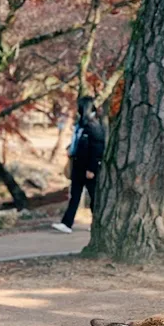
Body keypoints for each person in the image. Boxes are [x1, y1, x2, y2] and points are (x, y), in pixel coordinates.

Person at [52, 96, 106, 234]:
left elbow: (97, 148)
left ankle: (98, 224)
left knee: (94, 196)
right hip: (78, 165)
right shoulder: (81, 125)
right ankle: (67, 223)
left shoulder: (94, 126)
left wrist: (92, 168)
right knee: (75, 195)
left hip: (88, 168)